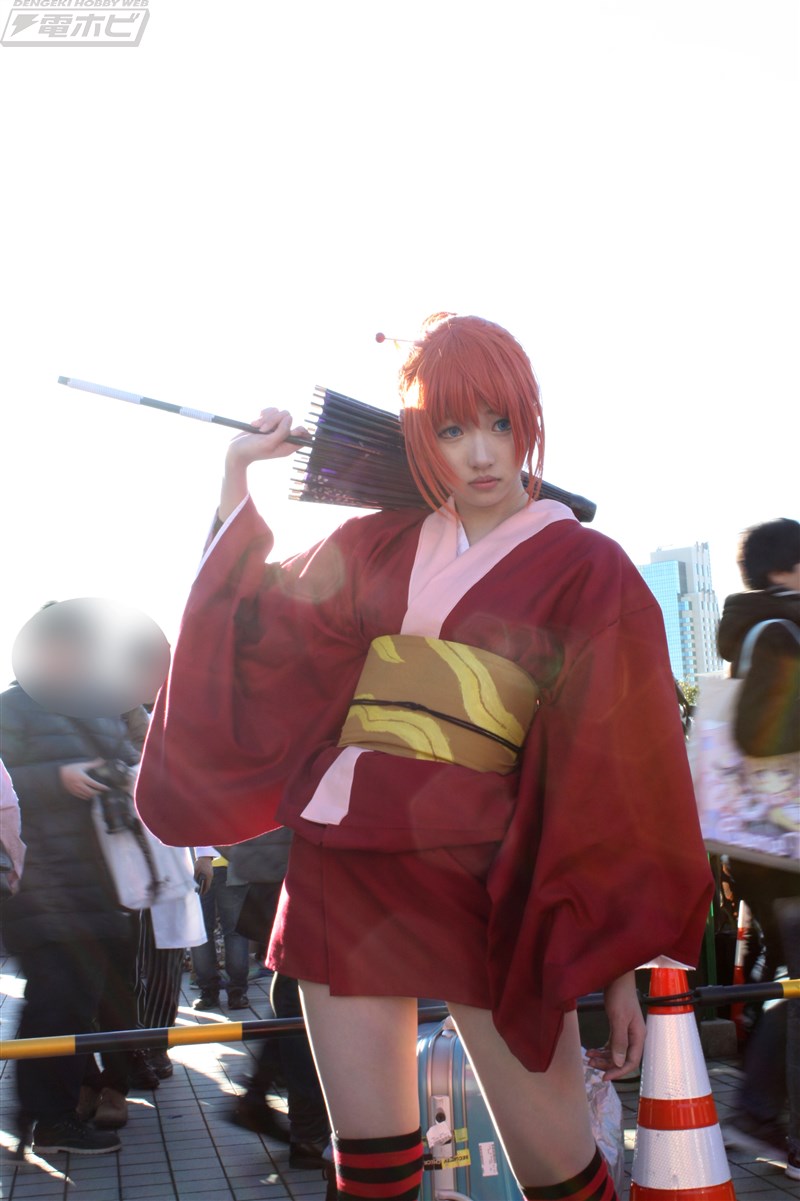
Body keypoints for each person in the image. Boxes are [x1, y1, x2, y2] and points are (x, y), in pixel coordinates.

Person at [137, 313, 714, 1200]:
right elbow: (253, 635)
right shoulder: (377, 541)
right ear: (417, 438)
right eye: (449, 429)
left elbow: (619, 776)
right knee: (371, 1169)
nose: (481, 453)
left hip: (488, 875)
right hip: (342, 854)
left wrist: (618, 971)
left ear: (528, 421)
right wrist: (236, 476)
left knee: (560, 1172)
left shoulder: (589, 567)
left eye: (499, 422)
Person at [716, 517, 800, 1177]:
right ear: (786, 567)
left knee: (795, 981)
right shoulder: (777, 632)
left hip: (766, 847)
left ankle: (763, 1113)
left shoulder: (763, 628)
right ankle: (758, 1112)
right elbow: (760, 734)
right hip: (782, 846)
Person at [191, 848, 251, 1010]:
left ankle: (208, 992)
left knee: (200, 931)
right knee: (235, 931)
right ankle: (237, 992)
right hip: (231, 859)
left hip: (196, 865)